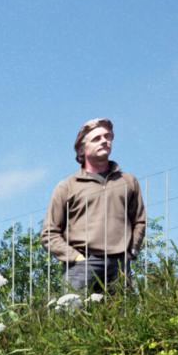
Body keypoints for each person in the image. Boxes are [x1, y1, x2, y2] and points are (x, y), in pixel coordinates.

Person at [43, 118, 147, 293]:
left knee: (121, 318)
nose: (104, 141)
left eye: (108, 137)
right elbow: (49, 233)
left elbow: (139, 221)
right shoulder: (67, 186)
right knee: (76, 318)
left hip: (120, 264)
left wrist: (133, 251)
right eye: (96, 138)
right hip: (82, 265)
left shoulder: (128, 181)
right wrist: (76, 258)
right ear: (82, 149)